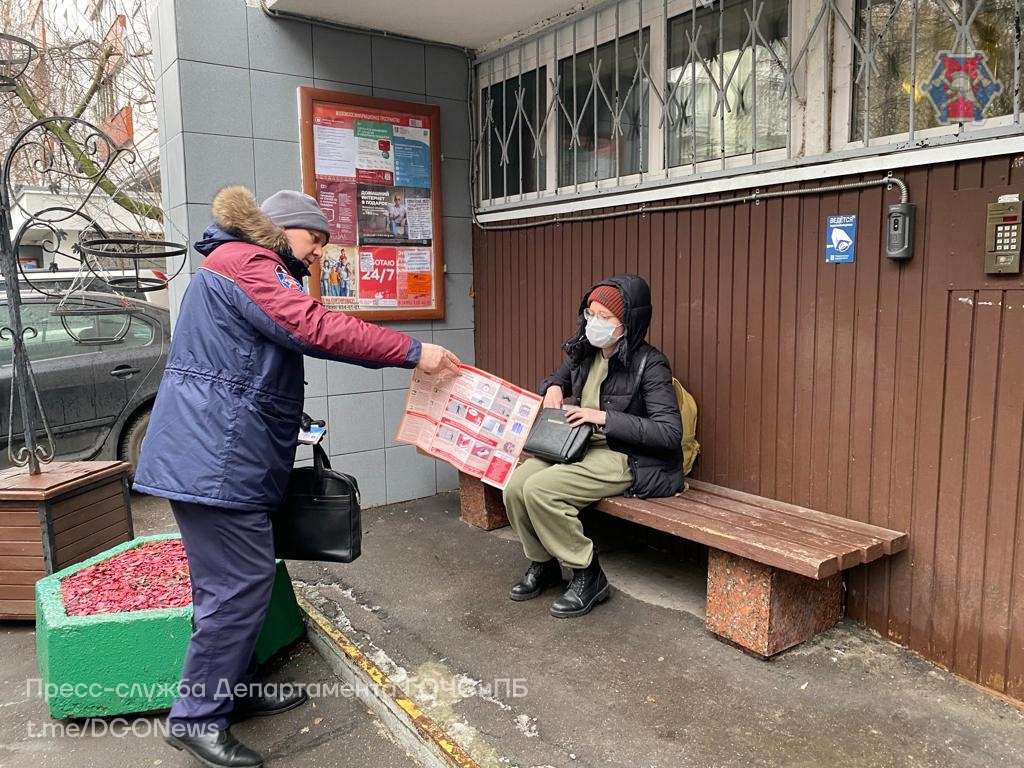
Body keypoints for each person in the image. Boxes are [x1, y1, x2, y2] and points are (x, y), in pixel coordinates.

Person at [133, 186, 460, 768]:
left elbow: (242, 364)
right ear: (282, 229)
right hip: (217, 458)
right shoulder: (251, 263)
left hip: (220, 452)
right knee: (237, 586)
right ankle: (196, 717)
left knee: (237, 582)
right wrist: (415, 351)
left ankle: (237, 686)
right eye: (315, 242)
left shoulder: (233, 264)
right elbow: (314, 328)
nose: (317, 257)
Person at [503, 275, 684, 619]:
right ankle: (543, 563)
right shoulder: (585, 351)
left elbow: (668, 433)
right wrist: (553, 388)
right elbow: (558, 378)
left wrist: (602, 417)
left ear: (627, 323)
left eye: (605, 317)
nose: (594, 323)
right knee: (515, 486)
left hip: (625, 456)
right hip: (577, 445)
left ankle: (588, 572)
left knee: (542, 490)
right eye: (590, 313)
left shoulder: (651, 364)